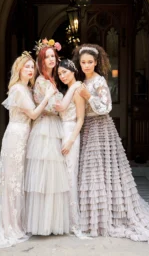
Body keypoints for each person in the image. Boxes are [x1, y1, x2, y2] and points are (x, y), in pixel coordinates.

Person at [72, 43, 149, 245]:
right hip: (88, 128)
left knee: (102, 171)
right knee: (90, 172)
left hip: (101, 129)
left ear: (96, 63)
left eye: (90, 62)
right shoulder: (82, 81)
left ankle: (105, 217)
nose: (86, 65)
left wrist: (88, 96)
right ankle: (92, 217)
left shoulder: (98, 82)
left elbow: (106, 107)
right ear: (79, 63)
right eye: (83, 62)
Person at [0, 51, 56, 249]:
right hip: (16, 136)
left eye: (31, 67)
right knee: (12, 182)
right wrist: (48, 97)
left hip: (24, 136)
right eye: (26, 67)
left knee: (19, 180)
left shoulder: (26, 88)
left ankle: (16, 221)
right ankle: (9, 225)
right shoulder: (18, 89)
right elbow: (34, 114)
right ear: (18, 69)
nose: (29, 70)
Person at [25, 39, 80, 236]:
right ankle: (42, 224)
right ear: (41, 61)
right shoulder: (41, 81)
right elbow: (49, 108)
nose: (50, 59)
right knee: (45, 177)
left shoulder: (53, 80)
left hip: (55, 127)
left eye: (52, 56)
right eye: (46, 57)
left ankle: (53, 222)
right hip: (45, 129)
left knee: (55, 177)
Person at [56, 59, 85, 237]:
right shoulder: (68, 90)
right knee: (62, 176)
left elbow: (81, 118)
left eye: (65, 72)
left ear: (73, 71)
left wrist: (70, 141)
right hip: (61, 131)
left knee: (70, 174)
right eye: (59, 74)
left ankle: (73, 220)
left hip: (71, 133)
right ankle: (62, 218)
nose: (62, 76)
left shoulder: (77, 90)